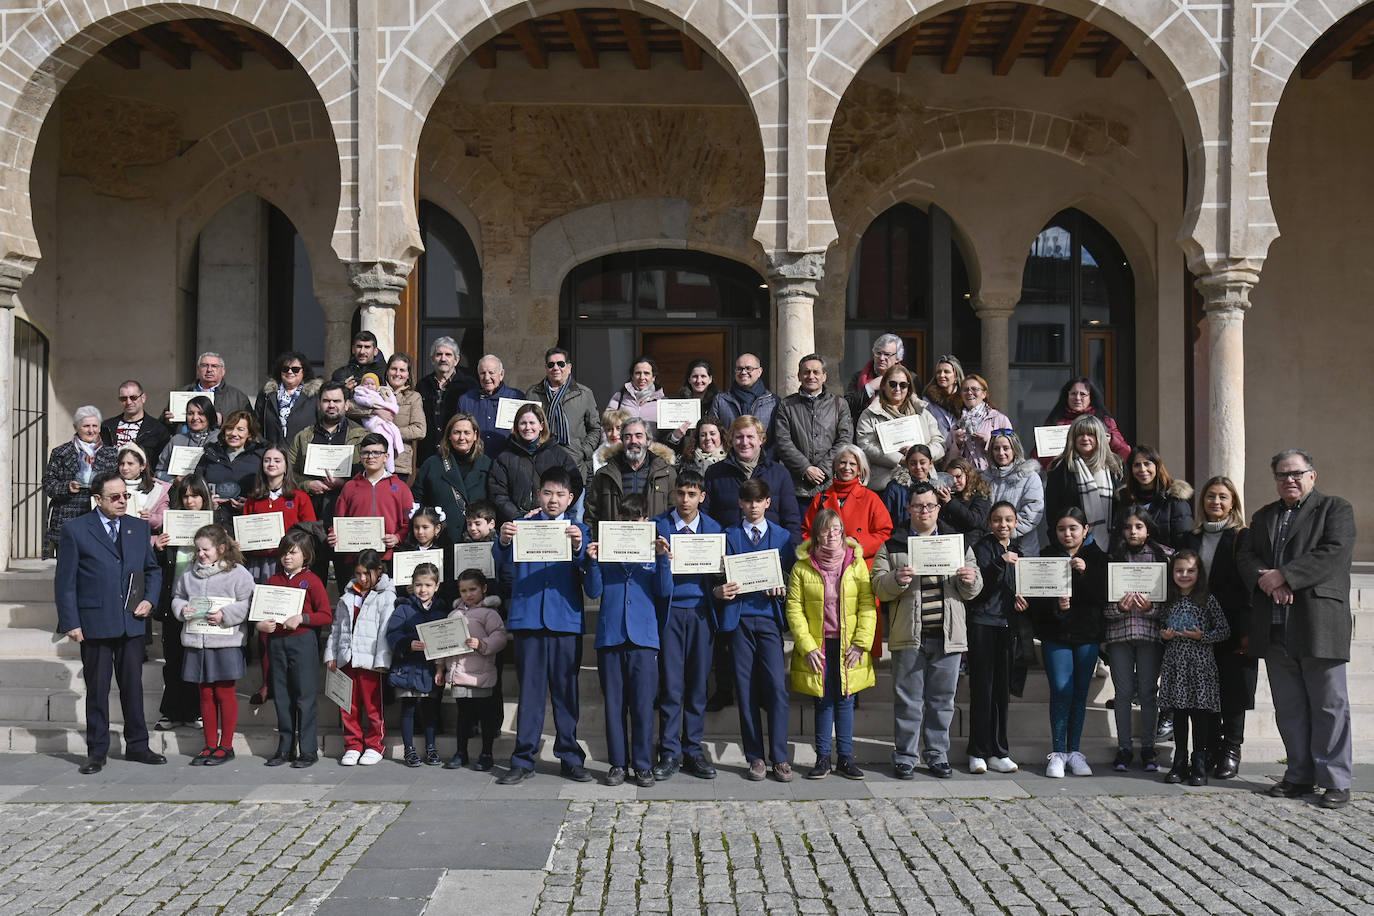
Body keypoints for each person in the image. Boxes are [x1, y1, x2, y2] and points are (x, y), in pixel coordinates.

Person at [1237, 449, 1356, 810]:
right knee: (1289, 708)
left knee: (1329, 705)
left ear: (1312, 476)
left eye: (1296, 473)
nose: (1289, 479)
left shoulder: (1335, 509)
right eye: (1282, 474)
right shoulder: (1263, 516)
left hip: (1318, 622)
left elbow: (1334, 552)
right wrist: (1268, 581)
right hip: (1275, 626)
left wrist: (1285, 575)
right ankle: (1300, 775)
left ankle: (1335, 780)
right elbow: (1246, 556)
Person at [55, 471, 166, 774]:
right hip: (95, 621)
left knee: (133, 687)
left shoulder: (138, 528)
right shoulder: (76, 530)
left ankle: (138, 745)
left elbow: (152, 570)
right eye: (115, 497)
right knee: (98, 689)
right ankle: (97, 751)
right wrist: (71, 622)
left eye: (125, 495)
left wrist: (150, 600)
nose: (122, 501)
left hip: (132, 619)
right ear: (97, 499)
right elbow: (65, 582)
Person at [871, 481, 981, 780]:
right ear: (909, 509)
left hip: (948, 635)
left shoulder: (957, 544)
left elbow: (974, 590)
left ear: (938, 508)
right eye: (918, 506)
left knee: (942, 702)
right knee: (908, 701)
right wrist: (896, 579)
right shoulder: (893, 544)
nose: (924, 511)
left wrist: (970, 579)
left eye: (930, 506)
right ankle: (905, 756)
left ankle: (937, 755)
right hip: (909, 635)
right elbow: (878, 586)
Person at [493, 467, 594, 785]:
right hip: (530, 619)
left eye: (560, 494)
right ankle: (523, 759)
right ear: (538, 495)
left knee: (566, 693)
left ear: (570, 499)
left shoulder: (580, 530)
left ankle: (570, 757)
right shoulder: (521, 526)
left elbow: (589, 572)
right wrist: (503, 541)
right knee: (531, 692)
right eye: (548, 493)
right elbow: (502, 563)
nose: (553, 499)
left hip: (565, 620)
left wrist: (579, 548)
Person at [585, 494, 671, 788]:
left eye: (637, 519)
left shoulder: (653, 550)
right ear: (618, 519)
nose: (631, 523)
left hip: (644, 638)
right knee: (614, 705)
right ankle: (618, 763)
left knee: (643, 705)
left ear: (646, 520)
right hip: (611, 636)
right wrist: (592, 562)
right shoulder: (608, 547)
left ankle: (643, 764)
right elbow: (593, 591)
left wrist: (662, 559)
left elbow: (664, 590)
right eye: (626, 518)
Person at [785, 509, 876, 781]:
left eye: (836, 529)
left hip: (848, 645)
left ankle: (845, 757)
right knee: (823, 699)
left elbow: (867, 605)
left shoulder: (856, 563)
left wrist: (861, 643)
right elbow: (794, 609)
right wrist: (807, 646)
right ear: (816, 535)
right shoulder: (802, 567)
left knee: (846, 699)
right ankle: (823, 758)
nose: (832, 535)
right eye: (825, 530)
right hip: (818, 645)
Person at [716, 478, 796, 782]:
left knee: (776, 687)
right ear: (740, 503)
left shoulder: (783, 537)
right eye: (747, 501)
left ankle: (780, 757)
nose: (753, 506)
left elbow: (792, 576)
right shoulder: (728, 536)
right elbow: (715, 577)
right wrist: (720, 587)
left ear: (768, 503)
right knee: (746, 688)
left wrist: (783, 588)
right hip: (739, 620)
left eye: (758, 501)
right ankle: (755, 757)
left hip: (769, 620)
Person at [1180, 476, 1255, 779]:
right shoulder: (1191, 537)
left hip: (1235, 623)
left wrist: (1248, 629)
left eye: (1223, 497)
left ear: (1233, 502)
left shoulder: (1242, 536)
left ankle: (1231, 749)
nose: (1216, 502)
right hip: (1199, 623)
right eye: (1211, 496)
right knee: (1205, 689)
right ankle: (1210, 747)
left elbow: (1249, 585)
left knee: (1234, 690)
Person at [651, 469, 723, 781]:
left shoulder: (714, 528)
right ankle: (668, 751)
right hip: (669, 613)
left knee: (697, 684)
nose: (685, 499)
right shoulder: (658, 526)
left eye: (692, 494)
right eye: (680, 493)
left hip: (701, 613)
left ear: (702, 497)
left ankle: (692, 749)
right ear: (674, 494)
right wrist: (659, 561)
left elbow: (720, 576)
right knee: (670, 684)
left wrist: (722, 577)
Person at [1027, 506, 1107, 778]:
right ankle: (1058, 753)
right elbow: (1036, 600)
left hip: (1087, 634)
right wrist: (1057, 606)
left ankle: (1075, 752)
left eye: (1073, 528)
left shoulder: (1098, 557)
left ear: (1086, 530)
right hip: (1056, 635)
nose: (1067, 534)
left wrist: (1085, 574)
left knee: (1080, 693)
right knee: (1061, 691)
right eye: (1062, 529)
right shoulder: (1046, 556)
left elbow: (1104, 596)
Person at [240, 445, 319, 704]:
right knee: (266, 624)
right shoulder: (254, 499)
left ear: (286, 465)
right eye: (267, 460)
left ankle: (289, 684)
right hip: (259, 566)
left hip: (287, 567)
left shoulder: (299, 497)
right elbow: (244, 532)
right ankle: (266, 684)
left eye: (277, 460)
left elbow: (309, 533)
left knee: (287, 625)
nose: (271, 464)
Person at [172, 524, 255, 766]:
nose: (200, 554)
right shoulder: (189, 573)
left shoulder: (238, 573)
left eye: (205, 549)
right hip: (197, 641)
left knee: (224, 692)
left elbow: (248, 602)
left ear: (220, 548)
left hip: (225, 642)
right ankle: (209, 744)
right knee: (205, 693)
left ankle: (226, 746)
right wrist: (182, 610)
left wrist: (224, 615)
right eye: (197, 550)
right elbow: (178, 596)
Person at [1103, 506, 1170, 773]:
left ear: (1148, 529)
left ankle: (1149, 748)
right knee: (1122, 694)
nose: (1133, 531)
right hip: (1119, 635)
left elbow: (1168, 606)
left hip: (1150, 636)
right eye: (1128, 527)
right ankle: (1124, 748)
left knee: (1148, 693)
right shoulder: (1112, 558)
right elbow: (1103, 608)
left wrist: (1151, 609)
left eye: (1139, 526)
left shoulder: (1162, 558)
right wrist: (1118, 608)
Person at [259, 529, 332, 768]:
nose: (287, 557)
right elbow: (261, 614)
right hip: (277, 643)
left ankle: (308, 750)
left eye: (293, 553)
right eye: (284, 553)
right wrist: (261, 624)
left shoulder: (312, 581)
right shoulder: (273, 581)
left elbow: (326, 615)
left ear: (306, 555)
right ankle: (285, 748)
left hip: (302, 642)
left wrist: (303, 618)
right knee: (282, 696)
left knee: (304, 697)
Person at [1157, 550, 1230, 786]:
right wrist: (1164, 636)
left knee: (1199, 716)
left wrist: (1203, 636)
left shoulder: (1207, 599)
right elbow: (1159, 627)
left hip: (1200, 666)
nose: (1184, 575)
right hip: (1176, 665)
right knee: (1179, 714)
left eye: (1190, 570)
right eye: (1179, 570)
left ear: (1199, 573)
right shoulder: (1168, 600)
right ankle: (1179, 762)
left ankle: (1198, 762)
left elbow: (1224, 630)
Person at [965, 502, 1024, 775]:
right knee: (982, 690)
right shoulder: (981, 548)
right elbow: (977, 588)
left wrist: (1024, 601)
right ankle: (977, 751)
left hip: (1007, 627)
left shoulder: (1020, 551)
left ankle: (999, 751)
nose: (1003, 525)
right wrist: (1000, 562)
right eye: (998, 520)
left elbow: (1022, 589)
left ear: (1016, 522)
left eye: (1009, 520)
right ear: (990, 523)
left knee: (1002, 692)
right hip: (982, 624)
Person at [288, 381, 366, 584]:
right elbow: (289, 474)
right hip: (312, 518)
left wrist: (344, 483)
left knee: (349, 582)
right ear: (319, 404)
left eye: (337, 401)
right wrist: (307, 485)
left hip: (346, 518)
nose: (331, 405)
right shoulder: (304, 436)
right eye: (326, 401)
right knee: (312, 580)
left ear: (346, 404)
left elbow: (369, 475)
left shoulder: (361, 436)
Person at [325, 549, 397, 766]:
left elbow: (385, 631)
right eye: (358, 573)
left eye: (367, 573)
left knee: (373, 706)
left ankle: (375, 745)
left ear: (379, 570)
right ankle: (353, 745)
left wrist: (382, 661)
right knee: (348, 705)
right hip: (347, 658)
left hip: (370, 661)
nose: (363, 578)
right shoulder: (349, 594)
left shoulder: (387, 596)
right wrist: (331, 654)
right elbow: (337, 627)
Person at [151, 475, 212, 732]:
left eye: (195, 495)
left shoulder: (215, 527)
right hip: (174, 602)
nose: (190, 501)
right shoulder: (171, 525)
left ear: (204, 498)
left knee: (197, 659)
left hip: (203, 603)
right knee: (173, 659)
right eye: (185, 496)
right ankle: (171, 712)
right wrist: (158, 547)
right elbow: (157, 566)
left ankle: (194, 711)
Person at [436, 568, 507, 771]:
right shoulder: (454, 614)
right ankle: (461, 753)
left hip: (480, 675)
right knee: (463, 716)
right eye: (463, 590)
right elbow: (444, 643)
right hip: (459, 675)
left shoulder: (490, 613)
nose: (468, 594)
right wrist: (440, 668)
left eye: (472, 589)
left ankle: (486, 754)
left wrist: (482, 644)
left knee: (485, 715)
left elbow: (500, 637)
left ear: (484, 588)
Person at [386, 562, 448, 767]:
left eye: (428, 585)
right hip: (407, 667)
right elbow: (392, 634)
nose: (423, 589)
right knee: (408, 708)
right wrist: (408, 644)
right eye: (419, 585)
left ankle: (431, 747)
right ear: (412, 585)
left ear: (436, 586)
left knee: (430, 710)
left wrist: (440, 667)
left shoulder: (441, 611)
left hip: (429, 669)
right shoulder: (403, 608)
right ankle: (409, 750)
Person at [703, 415, 801, 542]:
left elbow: (792, 521)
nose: (744, 442)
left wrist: (792, 550)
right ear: (731, 439)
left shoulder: (780, 473)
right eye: (739, 437)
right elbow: (706, 519)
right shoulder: (714, 473)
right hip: (729, 548)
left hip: (771, 548)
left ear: (761, 439)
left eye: (750, 437)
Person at [773, 353, 854, 505]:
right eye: (806, 372)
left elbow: (845, 440)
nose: (811, 376)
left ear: (824, 376)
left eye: (816, 372)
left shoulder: (839, 404)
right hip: (798, 487)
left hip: (830, 485)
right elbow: (783, 442)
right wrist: (805, 468)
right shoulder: (787, 405)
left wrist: (824, 469)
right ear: (799, 376)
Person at [527, 346, 601, 504]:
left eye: (560, 364)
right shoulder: (533, 394)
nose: (556, 368)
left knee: (575, 512)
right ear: (546, 368)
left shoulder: (584, 394)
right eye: (551, 364)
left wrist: (583, 451)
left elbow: (595, 429)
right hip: (543, 462)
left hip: (575, 463)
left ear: (569, 367)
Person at [487, 403, 583, 524]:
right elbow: (498, 493)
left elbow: (575, 484)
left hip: (552, 521)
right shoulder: (504, 458)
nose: (528, 427)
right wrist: (519, 517)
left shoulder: (558, 454)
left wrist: (551, 511)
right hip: (518, 523)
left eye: (532, 423)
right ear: (516, 427)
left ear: (541, 426)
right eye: (523, 423)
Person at [855, 363, 944, 491]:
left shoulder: (922, 412)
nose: (898, 389)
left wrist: (919, 456)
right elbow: (866, 446)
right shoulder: (869, 414)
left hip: (924, 483)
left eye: (903, 385)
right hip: (885, 484)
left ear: (909, 388)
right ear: (883, 385)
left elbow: (939, 443)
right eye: (892, 384)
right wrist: (900, 459)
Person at [43, 406, 118, 556]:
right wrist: (67, 487)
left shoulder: (111, 454)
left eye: (95, 426)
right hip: (67, 517)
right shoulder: (61, 452)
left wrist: (102, 488)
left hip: (100, 516)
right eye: (86, 426)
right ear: (76, 427)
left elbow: (118, 484)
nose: (91, 430)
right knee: (68, 565)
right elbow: (48, 483)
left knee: (97, 564)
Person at [330, 433, 414, 565]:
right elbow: (338, 520)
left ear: (386, 457)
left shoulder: (400, 488)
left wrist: (398, 537)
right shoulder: (350, 487)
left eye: (376, 453)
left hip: (387, 557)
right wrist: (334, 534)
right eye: (366, 453)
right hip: (356, 559)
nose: (370, 457)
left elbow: (409, 522)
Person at [1043, 413, 1123, 547]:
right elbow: (1052, 512)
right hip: (1071, 546)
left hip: (1112, 546)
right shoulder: (1060, 467)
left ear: (1099, 437)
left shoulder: (1115, 465)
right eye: (1080, 434)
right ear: (1072, 438)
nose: (1085, 438)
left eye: (1090, 434)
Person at [585, 417, 677, 532]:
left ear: (648, 441)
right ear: (622, 441)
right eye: (628, 437)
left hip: (655, 539)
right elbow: (592, 515)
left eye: (639, 436)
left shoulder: (666, 473)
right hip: (615, 539)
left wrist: (666, 539)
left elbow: (674, 513)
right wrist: (594, 540)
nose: (633, 441)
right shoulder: (604, 474)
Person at [411, 413, 490, 535]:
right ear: (449, 435)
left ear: (475, 435)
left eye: (467, 433)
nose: (462, 437)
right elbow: (416, 500)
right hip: (442, 536)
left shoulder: (487, 464)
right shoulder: (432, 464)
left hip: (477, 538)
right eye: (457, 432)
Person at [349, 354, 426, 478]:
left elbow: (419, 430)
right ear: (387, 371)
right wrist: (374, 411)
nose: (397, 373)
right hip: (370, 460)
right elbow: (348, 408)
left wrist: (390, 433)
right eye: (394, 369)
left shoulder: (413, 397)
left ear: (408, 375)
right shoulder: (373, 389)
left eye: (402, 370)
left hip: (398, 462)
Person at [1114, 445, 1194, 548]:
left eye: (1147, 464)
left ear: (1157, 466)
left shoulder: (1175, 498)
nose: (1142, 469)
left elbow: (1184, 541)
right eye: (1137, 465)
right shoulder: (1125, 499)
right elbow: (1117, 537)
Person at [1039, 376, 1130, 466]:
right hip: (1064, 471)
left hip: (1096, 470)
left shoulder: (1104, 421)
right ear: (1067, 396)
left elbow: (1124, 451)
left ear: (1091, 397)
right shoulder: (1055, 421)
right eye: (1073, 393)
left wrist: (1110, 440)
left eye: (1083, 394)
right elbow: (1039, 458)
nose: (1077, 398)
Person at [196, 409, 266, 526]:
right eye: (230, 428)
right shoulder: (211, 454)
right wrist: (207, 503)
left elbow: (270, 491)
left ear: (249, 433)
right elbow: (196, 485)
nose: (233, 433)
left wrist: (250, 505)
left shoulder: (260, 457)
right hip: (214, 520)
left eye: (240, 429)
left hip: (247, 522)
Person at [415, 336, 476, 466]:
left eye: (448, 355)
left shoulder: (469, 386)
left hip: (457, 453)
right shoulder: (422, 385)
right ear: (432, 359)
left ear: (456, 360)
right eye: (439, 355)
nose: (443, 359)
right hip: (427, 454)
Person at [986, 430, 1045, 558]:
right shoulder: (984, 478)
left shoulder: (1030, 477)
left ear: (1015, 450)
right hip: (991, 548)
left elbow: (1032, 513)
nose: (1001, 453)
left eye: (1006, 448)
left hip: (1023, 547)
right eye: (996, 449)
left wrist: (1004, 532)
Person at [457, 354, 524, 457]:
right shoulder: (466, 400)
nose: (487, 378)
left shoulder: (516, 397)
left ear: (501, 374)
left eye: (491, 373)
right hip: (476, 459)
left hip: (507, 458)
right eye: (482, 373)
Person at [163, 351, 253, 427]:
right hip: (186, 441)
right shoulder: (182, 393)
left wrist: (223, 420)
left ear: (223, 371)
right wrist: (167, 421)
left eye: (214, 366)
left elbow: (250, 425)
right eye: (204, 365)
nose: (209, 370)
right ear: (198, 369)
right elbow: (162, 429)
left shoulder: (238, 397)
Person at [945, 374, 1012, 472]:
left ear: (984, 394)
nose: (969, 392)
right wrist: (957, 444)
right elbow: (949, 462)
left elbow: (1011, 451)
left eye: (974, 389)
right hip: (967, 478)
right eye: (965, 390)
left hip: (993, 476)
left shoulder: (999, 419)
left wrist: (988, 442)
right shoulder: (957, 425)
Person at [254, 351, 320, 448]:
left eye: (295, 369)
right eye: (285, 369)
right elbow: (255, 425)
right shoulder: (266, 394)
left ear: (304, 371)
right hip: (270, 452)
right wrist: (265, 446)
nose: (290, 372)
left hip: (302, 453)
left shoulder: (315, 396)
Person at [879, 443, 945, 532]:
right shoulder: (895, 487)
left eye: (922, 463)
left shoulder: (939, 488)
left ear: (931, 464)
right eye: (913, 463)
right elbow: (884, 517)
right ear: (907, 464)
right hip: (901, 535)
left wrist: (948, 501)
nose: (918, 467)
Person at [711, 353, 779, 435]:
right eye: (739, 369)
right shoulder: (721, 401)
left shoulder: (773, 402)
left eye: (748, 368)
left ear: (759, 371)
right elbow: (713, 432)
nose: (743, 372)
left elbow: (779, 435)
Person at [101, 380, 171, 460]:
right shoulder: (107, 427)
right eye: (123, 398)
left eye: (133, 398)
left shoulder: (157, 429)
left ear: (143, 398)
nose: (128, 402)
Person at [350, 372, 405, 472]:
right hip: (372, 421)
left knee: (390, 437)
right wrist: (376, 409)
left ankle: (390, 467)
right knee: (382, 440)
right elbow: (359, 403)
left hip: (384, 422)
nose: (369, 386)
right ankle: (389, 467)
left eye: (372, 384)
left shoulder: (383, 393)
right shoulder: (360, 392)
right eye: (366, 383)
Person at [844, 333, 904, 423]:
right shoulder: (859, 377)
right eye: (878, 353)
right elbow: (846, 407)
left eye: (887, 354)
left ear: (897, 358)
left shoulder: (908, 378)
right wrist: (869, 388)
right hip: (866, 428)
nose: (882, 358)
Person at [155, 395, 218, 482]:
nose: (195, 418)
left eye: (201, 413)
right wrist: (175, 480)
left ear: (209, 415)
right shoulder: (177, 440)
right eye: (190, 413)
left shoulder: (218, 439)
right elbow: (159, 472)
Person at [115, 445, 170, 538]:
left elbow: (164, 517)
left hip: (144, 539)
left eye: (130, 464)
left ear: (142, 466)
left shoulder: (157, 490)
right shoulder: (110, 486)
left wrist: (151, 518)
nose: (125, 468)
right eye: (121, 463)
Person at [936, 458, 993, 544]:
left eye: (958, 476)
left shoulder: (980, 493)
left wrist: (950, 502)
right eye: (950, 478)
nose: (954, 481)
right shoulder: (947, 494)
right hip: (951, 542)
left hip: (975, 543)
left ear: (967, 475)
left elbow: (975, 520)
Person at [605, 356, 665, 437]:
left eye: (646, 373)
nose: (642, 377)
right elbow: (607, 426)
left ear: (653, 377)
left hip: (652, 444)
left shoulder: (662, 402)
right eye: (638, 373)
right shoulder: (619, 397)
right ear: (632, 376)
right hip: (623, 444)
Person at [667, 360, 719, 450]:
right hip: (684, 453)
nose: (699, 380)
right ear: (689, 379)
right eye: (695, 376)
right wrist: (675, 437)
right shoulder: (677, 403)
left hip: (713, 453)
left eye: (703, 376)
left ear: (710, 379)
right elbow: (666, 439)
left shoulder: (718, 402)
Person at [920, 355, 965, 441]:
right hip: (939, 446)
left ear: (956, 376)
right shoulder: (927, 401)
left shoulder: (966, 398)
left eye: (946, 372)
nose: (941, 375)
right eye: (938, 372)